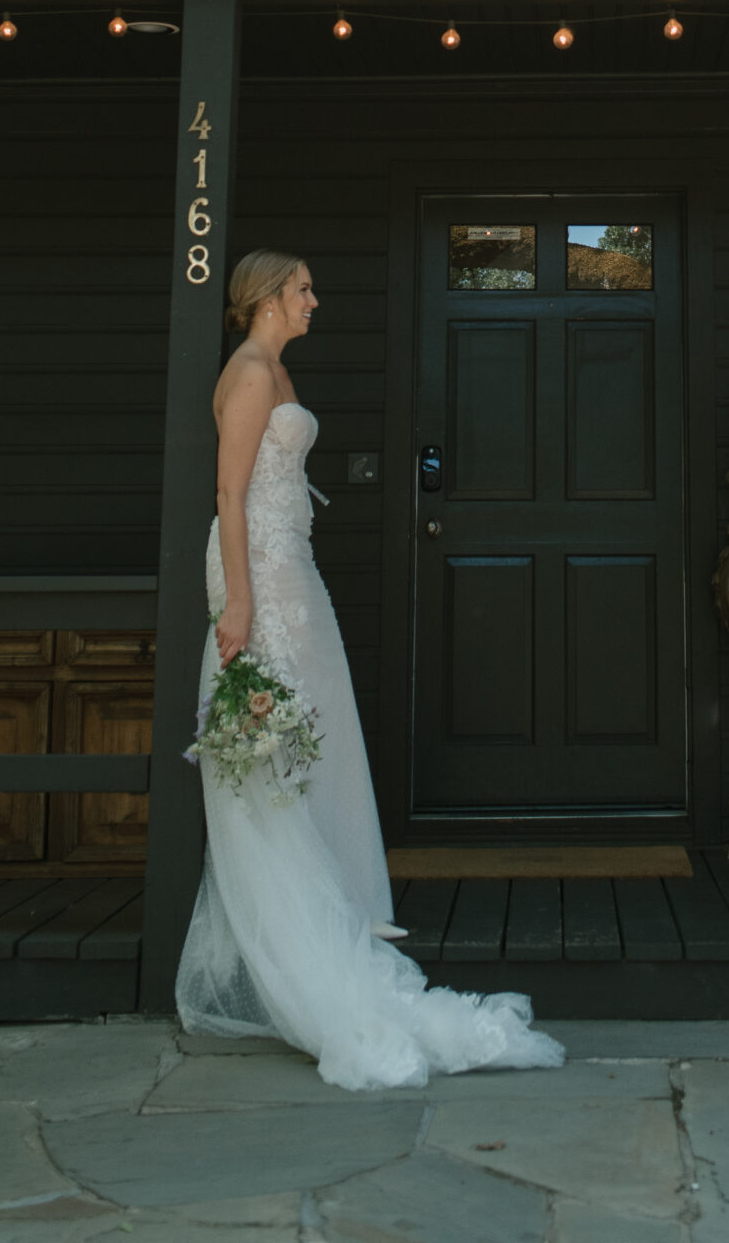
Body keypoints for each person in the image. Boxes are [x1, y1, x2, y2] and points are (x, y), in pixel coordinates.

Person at [175, 248, 563, 1088]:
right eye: (305, 289)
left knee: (317, 736)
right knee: (273, 745)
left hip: (291, 566)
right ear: (271, 297)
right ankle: (303, 961)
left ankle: (332, 923)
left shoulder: (273, 369)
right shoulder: (246, 372)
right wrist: (238, 603)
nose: (315, 301)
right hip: (260, 574)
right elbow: (229, 495)